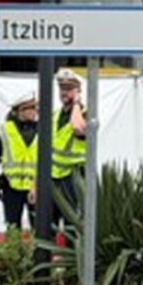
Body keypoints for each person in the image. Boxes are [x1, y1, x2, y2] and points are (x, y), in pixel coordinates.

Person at [0, 93, 39, 229]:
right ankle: (15, 250)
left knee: (39, 228)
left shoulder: (42, 129)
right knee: (12, 227)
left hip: (35, 186)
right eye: (29, 108)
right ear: (18, 111)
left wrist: (36, 186)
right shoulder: (4, 130)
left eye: (35, 107)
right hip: (11, 186)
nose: (33, 111)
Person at [51, 69, 88, 228]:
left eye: (69, 89)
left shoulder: (85, 113)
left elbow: (78, 128)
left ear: (78, 90)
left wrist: (77, 103)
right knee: (49, 221)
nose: (64, 92)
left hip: (74, 176)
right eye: (61, 88)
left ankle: (71, 253)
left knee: (71, 222)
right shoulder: (55, 115)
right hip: (54, 175)